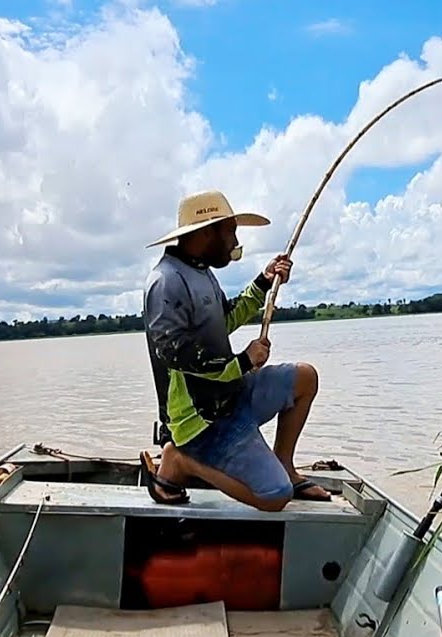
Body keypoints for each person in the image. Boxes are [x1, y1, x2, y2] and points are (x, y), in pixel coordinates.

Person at [139, 189, 332, 510]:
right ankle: (182, 461)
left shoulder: (200, 272)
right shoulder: (166, 281)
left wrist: (263, 283)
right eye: (230, 231)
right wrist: (242, 362)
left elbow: (223, 321)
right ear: (205, 233)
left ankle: (284, 463)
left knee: (305, 378)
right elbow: (175, 353)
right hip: (202, 419)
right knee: (275, 497)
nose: (234, 241)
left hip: (232, 394)